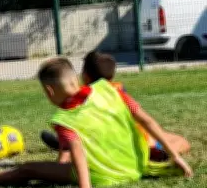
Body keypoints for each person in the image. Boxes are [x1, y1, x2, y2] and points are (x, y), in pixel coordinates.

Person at [0, 57, 193, 188]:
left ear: (49, 91)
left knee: (28, 168)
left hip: (105, 176)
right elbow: (147, 121)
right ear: (77, 79)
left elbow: (78, 153)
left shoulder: (64, 118)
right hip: (137, 166)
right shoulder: (110, 89)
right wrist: (174, 157)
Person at [40, 50, 191, 160]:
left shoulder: (80, 98)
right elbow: (144, 120)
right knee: (179, 140)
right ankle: (163, 152)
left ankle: (65, 144)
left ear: (84, 76)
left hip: (104, 144)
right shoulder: (116, 91)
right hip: (132, 139)